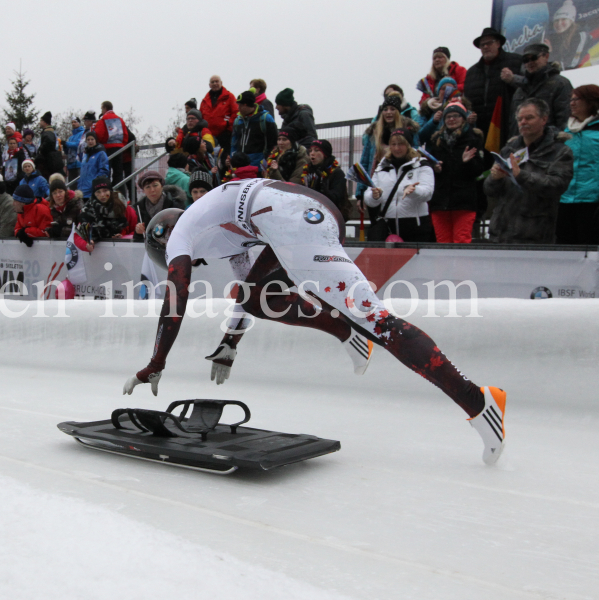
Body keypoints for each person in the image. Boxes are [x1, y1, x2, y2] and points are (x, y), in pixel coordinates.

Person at [123, 179, 508, 465]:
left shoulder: (181, 234)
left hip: (289, 218)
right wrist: (230, 342)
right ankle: (347, 333)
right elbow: (245, 292)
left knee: (376, 320)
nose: (197, 261)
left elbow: (177, 294)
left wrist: (156, 363)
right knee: (257, 298)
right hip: (292, 212)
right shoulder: (222, 226)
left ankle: (480, 401)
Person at [485, 98, 574, 244]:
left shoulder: (560, 151)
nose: (523, 122)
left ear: (544, 119)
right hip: (500, 234)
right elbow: (490, 191)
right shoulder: (510, 149)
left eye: (529, 118)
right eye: (520, 119)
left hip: (534, 236)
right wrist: (494, 179)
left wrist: (521, 175)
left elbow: (557, 185)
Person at [426, 102, 485, 243]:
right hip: (440, 202)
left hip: (463, 201)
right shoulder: (436, 140)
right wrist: (434, 168)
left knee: (461, 242)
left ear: (463, 118)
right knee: (442, 244)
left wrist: (467, 162)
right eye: (448, 117)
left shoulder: (473, 139)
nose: (451, 119)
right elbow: (429, 167)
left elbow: (479, 171)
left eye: (456, 116)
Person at [364, 130, 435, 242]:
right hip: (388, 226)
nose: (397, 148)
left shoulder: (421, 165)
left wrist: (414, 191)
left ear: (408, 145)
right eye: (393, 144)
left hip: (415, 226)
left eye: (401, 144)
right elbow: (368, 197)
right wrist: (374, 196)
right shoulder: (382, 167)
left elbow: (428, 193)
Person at [557, 85, 599, 245]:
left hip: (591, 199)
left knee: (588, 247)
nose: (571, 103)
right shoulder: (566, 130)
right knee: (565, 248)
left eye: (576, 99)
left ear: (591, 101)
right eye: (570, 99)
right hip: (565, 198)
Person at [465, 27, 523, 146]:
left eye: (489, 43)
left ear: (498, 43)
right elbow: (467, 101)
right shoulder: (471, 72)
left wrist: (513, 80)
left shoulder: (516, 61)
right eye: (482, 45)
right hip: (480, 131)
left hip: (509, 127)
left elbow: (529, 86)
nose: (485, 47)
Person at [358, 94, 421, 200]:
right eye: (385, 109)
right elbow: (364, 163)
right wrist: (360, 193)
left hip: (403, 180)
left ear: (398, 111)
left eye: (392, 109)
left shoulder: (409, 130)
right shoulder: (373, 132)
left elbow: (416, 155)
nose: (388, 112)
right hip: (376, 184)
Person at [508, 43, 574, 137]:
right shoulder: (520, 90)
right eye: (526, 60)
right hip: (523, 146)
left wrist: (557, 141)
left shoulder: (560, 84)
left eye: (534, 58)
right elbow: (513, 123)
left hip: (551, 144)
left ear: (546, 56)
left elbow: (565, 119)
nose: (530, 62)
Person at [303, 140, 350, 222]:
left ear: (325, 154)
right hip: (311, 215)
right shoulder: (308, 171)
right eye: (310, 151)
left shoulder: (337, 173)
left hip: (331, 217)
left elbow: (336, 198)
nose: (312, 153)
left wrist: (323, 186)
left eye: (316, 150)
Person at [231, 90, 278, 169]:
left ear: (246, 105)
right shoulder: (238, 121)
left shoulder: (265, 118)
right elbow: (234, 143)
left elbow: (273, 142)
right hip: (239, 166)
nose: (238, 108)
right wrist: (233, 157)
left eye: (240, 105)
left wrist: (267, 161)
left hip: (258, 166)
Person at [77, 177, 128, 250]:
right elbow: (78, 235)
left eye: (105, 190)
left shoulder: (121, 207)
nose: (102, 195)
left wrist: (122, 236)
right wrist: (86, 244)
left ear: (110, 191)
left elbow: (132, 231)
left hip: (121, 250)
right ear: (94, 194)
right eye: (98, 192)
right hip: (96, 253)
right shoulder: (86, 211)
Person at [134, 171, 185, 236]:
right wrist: (138, 231)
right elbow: (137, 238)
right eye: (147, 187)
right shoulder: (139, 208)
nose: (152, 190)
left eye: (155, 185)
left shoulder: (175, 205)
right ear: (143, 190)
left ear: (162, 186)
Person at [200, 76, 239, 158]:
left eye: (217, 81)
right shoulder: (205, 100)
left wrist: (228, 127)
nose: (215, 84)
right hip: (209, 137)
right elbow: (200, 117)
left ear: (221, 83)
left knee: (225, 159)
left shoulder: (229, 97)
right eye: (212, 82)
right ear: (209, 85)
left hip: (225, 136)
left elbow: (236, 113)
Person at [94, 101, 131, 186]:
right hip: (119, 149)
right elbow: (125, 134)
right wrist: (122, 145)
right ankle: (119, 192)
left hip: (107, 149)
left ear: (104, 108)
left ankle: (108, 190)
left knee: (107, 171)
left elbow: (99, 134)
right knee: (118, 173)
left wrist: (101, 144)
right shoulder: (120, 119)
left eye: (101, 108)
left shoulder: (103, 119)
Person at [547, 1, 592, 70]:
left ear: (571, 21)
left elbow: (571, 65)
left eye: (563, 19)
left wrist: (550, 53)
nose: (559, 23)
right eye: (556, 20)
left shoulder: (580, 35)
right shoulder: (555, 36)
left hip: (582, 71)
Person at [46, 174, 81, 239]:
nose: (58, 195)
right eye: (54, 193)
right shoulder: (53, 209)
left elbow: (81, 230)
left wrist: (61, 231)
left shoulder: (76, 205)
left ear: (65, 192)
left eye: (60, 192)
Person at [78, 131, 110, 199]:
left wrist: (95, 184)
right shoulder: (85, 155)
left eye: (92, 139)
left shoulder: (101, 153)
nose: (90, 141)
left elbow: (104, 170)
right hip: (83, 190)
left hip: (93, 190)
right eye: (88, 139)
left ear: (95, 140)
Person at [37, 112, 65, 180]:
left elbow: (48, 143)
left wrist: (40, 150)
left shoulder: (48, 132)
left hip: (48, 162)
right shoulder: (51, 132)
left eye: (41, 121)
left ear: (45, 123)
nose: (39, 123)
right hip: (51, 161)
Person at [64, 116, 86, 182]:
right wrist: (64, 146)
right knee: (72, 185)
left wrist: (66, 143)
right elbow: (67, 151)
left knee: (80, 183)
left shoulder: (82, 133)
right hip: (71, 164)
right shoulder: (70, 137)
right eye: (72, 122)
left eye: (75, 122)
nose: (73, 124)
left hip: (79, 163)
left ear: (79, 123)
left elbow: (78, 145)